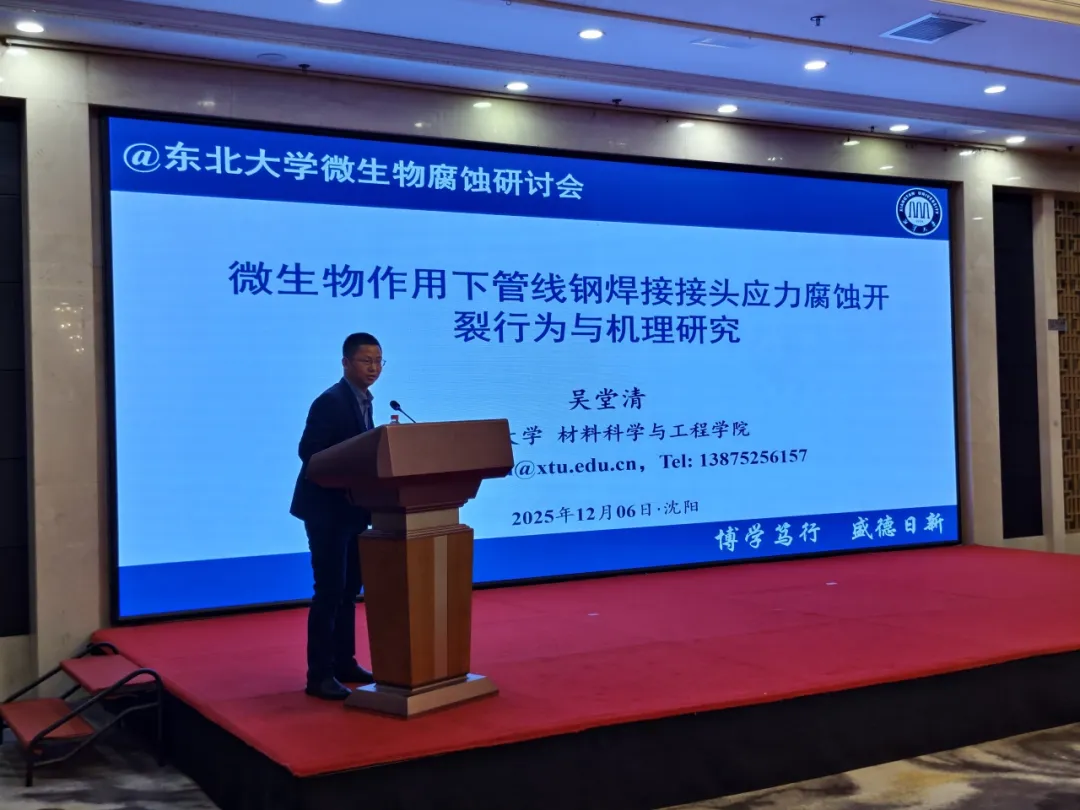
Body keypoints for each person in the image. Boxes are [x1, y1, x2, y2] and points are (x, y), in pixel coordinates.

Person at [290, 332, 383, 700]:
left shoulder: (365, 401)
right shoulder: (330, 401)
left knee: (348, 591)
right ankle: (319, 675)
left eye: (378, 361)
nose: (373, 368)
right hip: (326, 511)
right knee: (329, 591)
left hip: (354, 509)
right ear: (346, 363)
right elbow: (310, 453)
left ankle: (344, 662)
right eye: (366, 361)